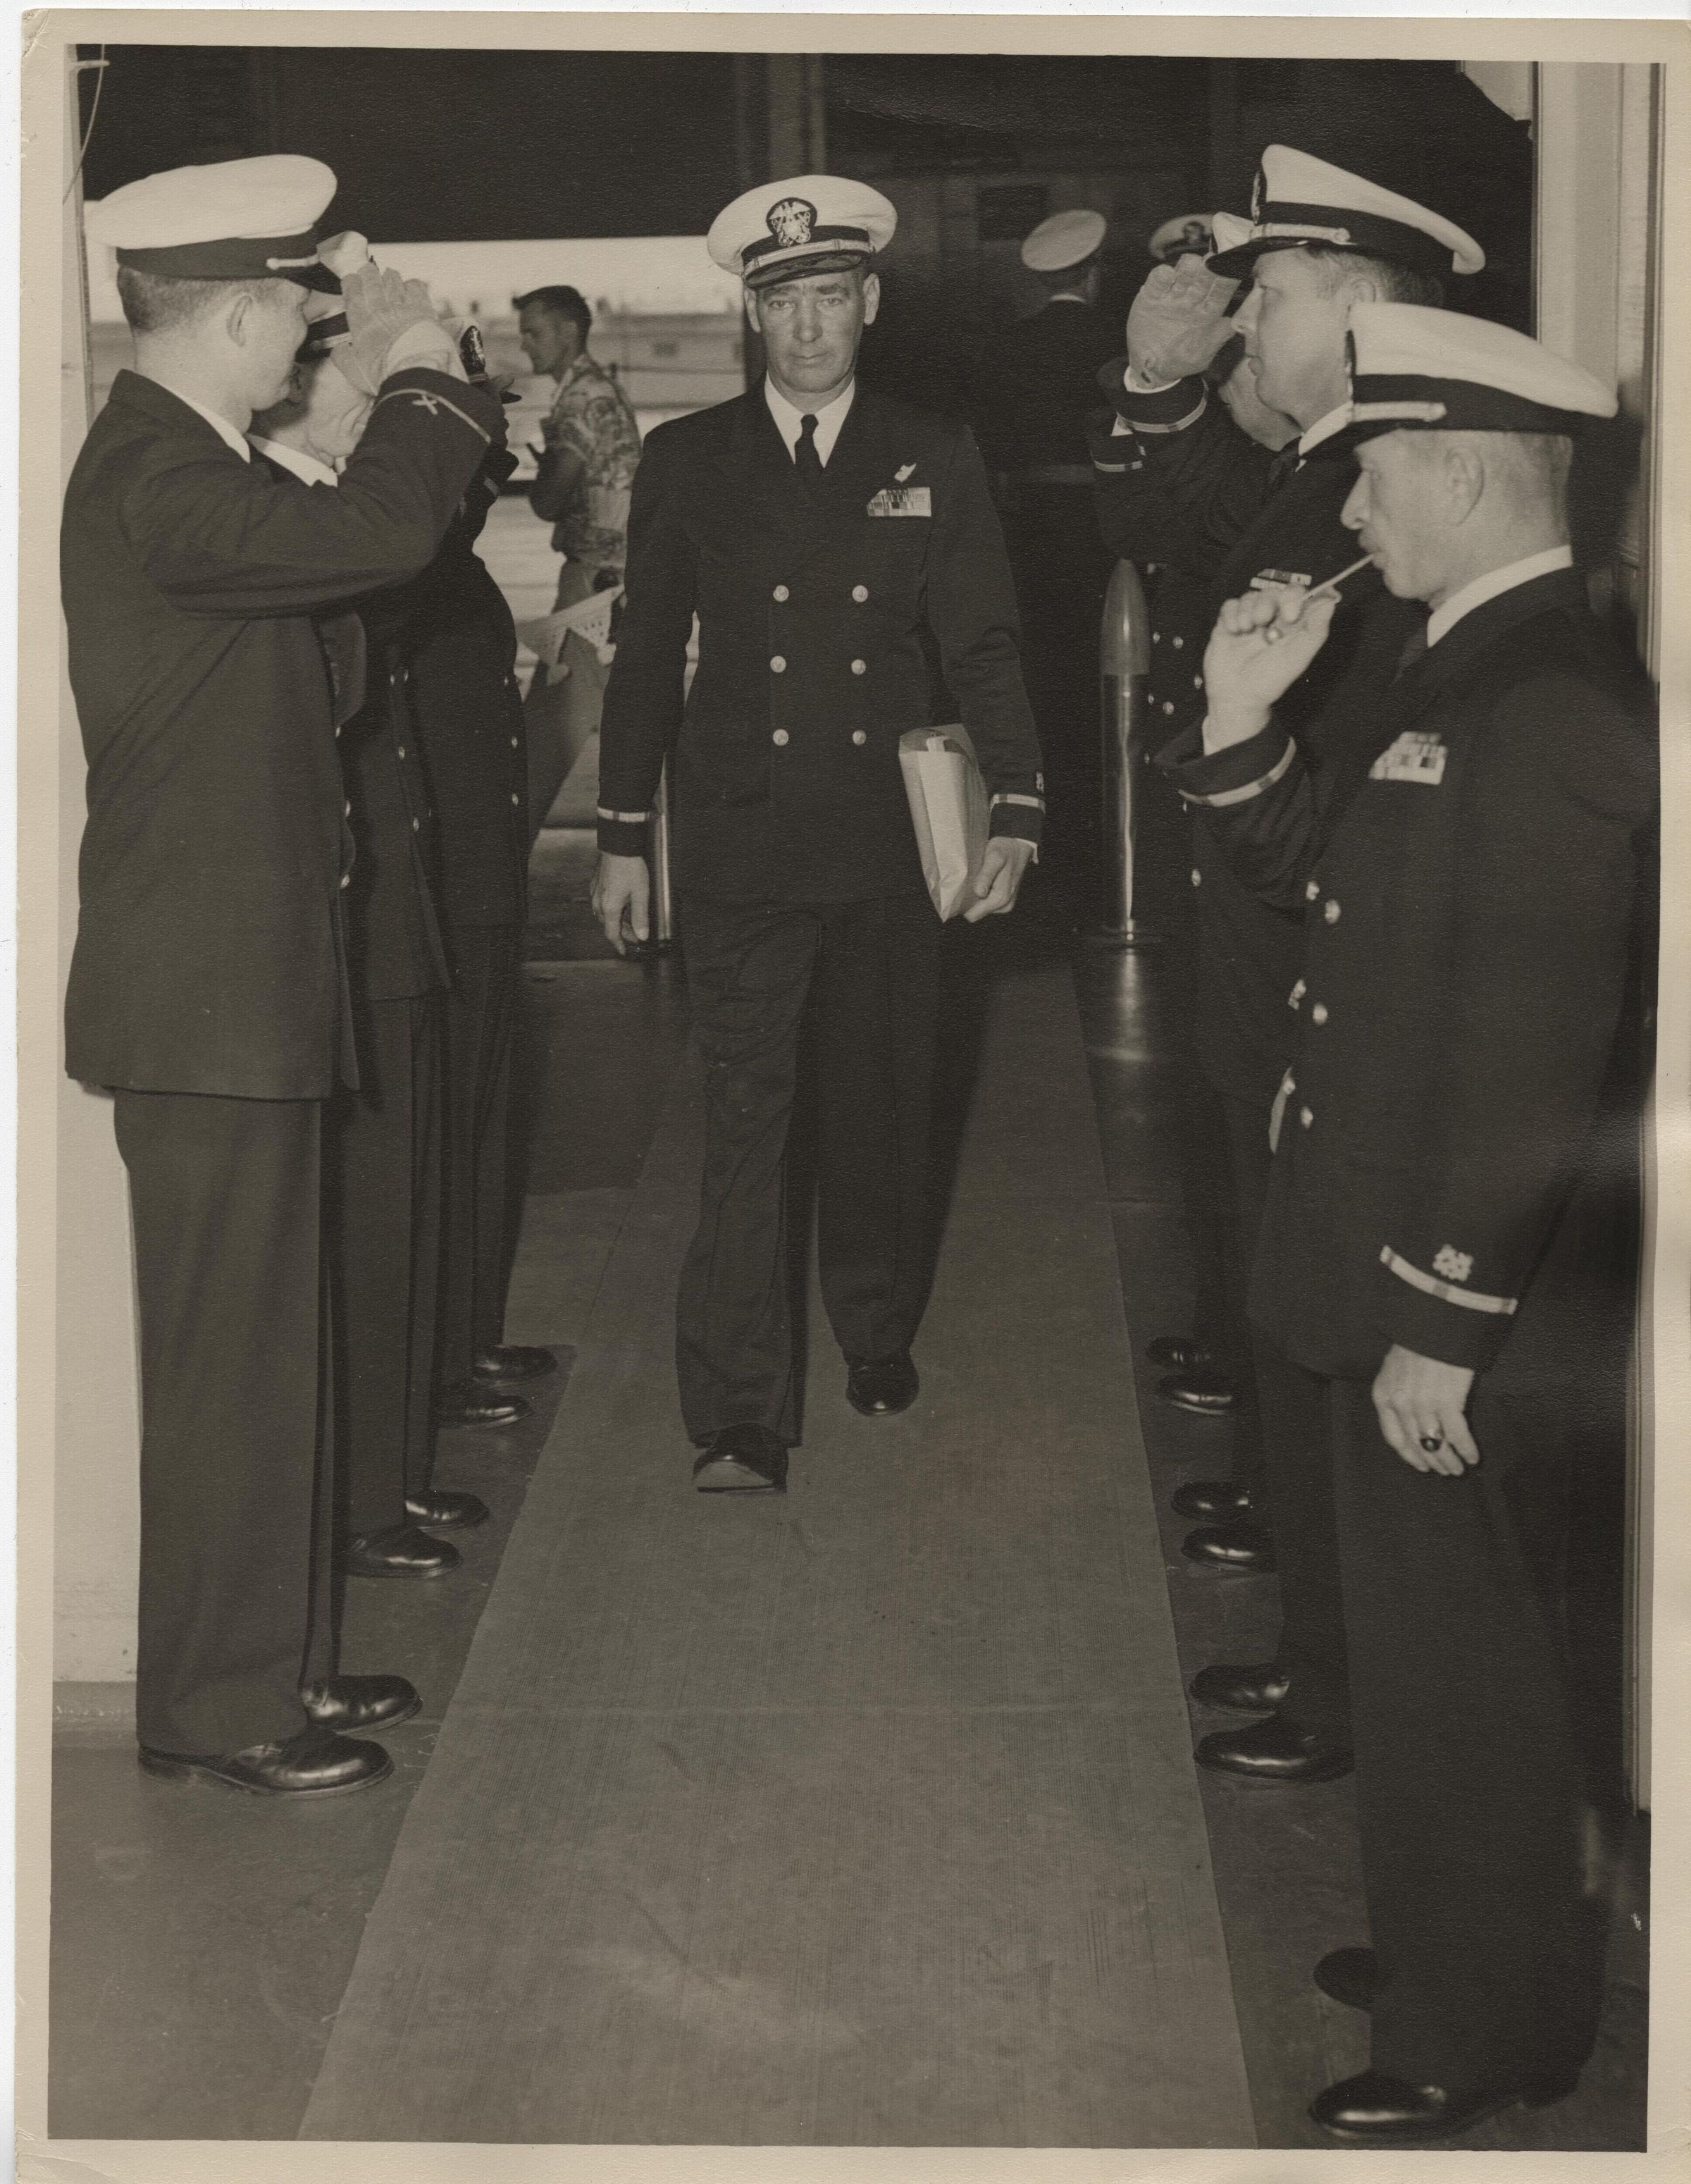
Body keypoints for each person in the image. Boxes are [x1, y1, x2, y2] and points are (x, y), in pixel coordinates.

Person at [1182, 304, 1653, 2141]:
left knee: (1470, 1666)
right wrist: (1237, 728)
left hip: (1464, 1295)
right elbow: (1344, 904)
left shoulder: (1546, 703)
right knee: (1433, 1646)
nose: (1355, 508)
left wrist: (1445, 1316)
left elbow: (1530, 1061)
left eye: (1374, 472)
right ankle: (1468, 1942)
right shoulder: (1452, 666)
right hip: (1393, 1252)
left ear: (1458, 471)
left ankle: (1488, 2027)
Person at [63, 155, 504, 1796]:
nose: (315, 343)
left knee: (259, 1349)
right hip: (208, 992)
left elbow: (321, 650)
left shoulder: (189, 464)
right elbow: (390, 536)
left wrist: (332, 459)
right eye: (305, 319)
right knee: (226, 1363)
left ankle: (268, 1670)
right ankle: (219, 1702)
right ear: (244, 308)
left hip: (240, 984)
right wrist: (425, 379)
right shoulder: (156, 471)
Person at [1091, 147, 1483, 1781]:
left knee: (1309, 1305)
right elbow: (1179, 558)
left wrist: (1159, 400)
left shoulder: (1368, 480)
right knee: (1272, 1293)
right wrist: (1149, 391)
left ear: (1355, 306)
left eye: (1273, 290)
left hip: (1297, 931)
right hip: (1256, 921)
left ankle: (1326, 1672)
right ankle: (1298, 1613)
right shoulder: (1316, 462)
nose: (1249, 311)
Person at [593, 173, 1045, 1495]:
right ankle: (740, 1408)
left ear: (871, 304)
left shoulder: (933, 448)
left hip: (890, 841)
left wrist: (1016, 805)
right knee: (748, 1115)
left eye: (830, 298)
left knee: (880, 1101)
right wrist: (625, 830)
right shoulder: (687, 460)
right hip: (741, 833)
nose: (807, 327)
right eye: (783, 301)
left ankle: (874, 1322)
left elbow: (984, 640)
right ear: (752, 311)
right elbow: (640, 660)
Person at [249, 326, 493, 1580]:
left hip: (390, 917)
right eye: (362, 387)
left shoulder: (322, 509)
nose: (371, 415)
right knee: (362, 1226)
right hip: (351, 927)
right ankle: (359, 1499)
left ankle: (386, 1482)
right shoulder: (285, 519)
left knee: (392, 1217)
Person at [960, 207, 1118, 916]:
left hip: (1025, 533)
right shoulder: (1116, 340)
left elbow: (984, 447)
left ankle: (1042, 831)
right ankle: (1099, 838)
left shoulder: (1005, 347)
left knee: (1037, 680)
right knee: (1104, 681)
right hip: (1105, 532)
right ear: (1094, 272)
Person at [516, 283, 643, 830]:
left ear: (570, 330)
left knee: (543, 738)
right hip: (616, 584)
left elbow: (550, 499)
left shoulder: (582, 397)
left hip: (595, 588)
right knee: (638, 735)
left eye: (533, 332)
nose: (525, 345)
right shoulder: (595, 388)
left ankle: (496, 879)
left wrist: (538, 472)